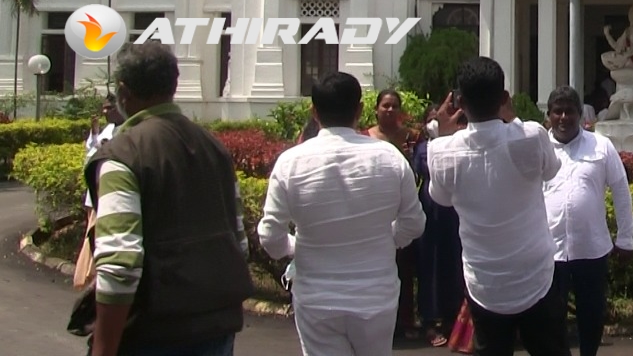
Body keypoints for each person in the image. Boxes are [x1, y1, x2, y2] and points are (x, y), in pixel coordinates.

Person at [84, 43, 253, 356]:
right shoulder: (214, 147)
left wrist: (103, 348)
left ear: (123, 92)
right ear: (173, 86)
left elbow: (120, 264)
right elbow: (239, 242)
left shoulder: (122, 155)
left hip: (153, 334)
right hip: (216, 328)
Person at [258, 72, 426, 356]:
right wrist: (384, 240)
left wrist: (296, 246)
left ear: (314, 112)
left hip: (316, 300)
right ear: (360, 110)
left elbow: (271, 239)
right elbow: (414, 224)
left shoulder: (290, 163)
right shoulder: (390, 158)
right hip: (375, 296)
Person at [427, 57, 570, 356]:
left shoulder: (441, 150)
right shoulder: (531, 136)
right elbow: (551, 171)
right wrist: (513, 119)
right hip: (535, 276)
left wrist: (444, 136)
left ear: (459, 102)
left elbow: (440, 198)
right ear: (504, 98)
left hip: (485, 282)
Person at [542, 86, 633, 356]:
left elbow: (621, 191)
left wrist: (625, 238)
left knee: (592, 315)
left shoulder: (601, 146)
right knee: (550, 318)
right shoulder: (539, 148)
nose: (563, 117)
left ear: (580, 114)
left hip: (591, 249)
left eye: (569, 111)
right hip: (549, 250)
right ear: (549, 116)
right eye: (557, 112)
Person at [364, 89, 424, 340]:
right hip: (374, 211)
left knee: (404, 269)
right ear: (376, 109)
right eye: (385, 106)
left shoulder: (413, 138)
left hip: (405, 209)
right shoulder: (364, 139)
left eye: (394, 106)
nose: (389, 110)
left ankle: (406, 320)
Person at [413, 107, 465, 348]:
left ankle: (453, 317)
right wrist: (439, 140)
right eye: (432, 119)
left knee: (455, 265)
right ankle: (429, 320)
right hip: (431, 213)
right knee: (430, 265)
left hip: (456, 214)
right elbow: (425, 169)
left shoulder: (461, 146)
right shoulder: (424, 147)